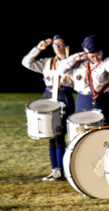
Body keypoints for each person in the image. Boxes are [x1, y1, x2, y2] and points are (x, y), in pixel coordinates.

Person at [22, 34, 75, 181]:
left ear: (66, 45)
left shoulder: (73, 61)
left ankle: (62, 170)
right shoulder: (47, 62)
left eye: (60, 44)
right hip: (48, 95)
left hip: (63, 96)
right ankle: (55, 169)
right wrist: (38, 48)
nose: (57, 47)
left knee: (59, 134)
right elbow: (26, 62)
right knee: (49, 134)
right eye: (55, 45)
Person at [58, 35, 109, 125]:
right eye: (92, 56)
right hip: (82, 100)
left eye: (98, 55)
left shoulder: (108, 62)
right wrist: (73, 58)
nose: (95, 58)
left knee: (102, 133)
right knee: (80, 132)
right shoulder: (79, 62)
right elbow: (61, 71)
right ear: (86, 53)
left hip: (102, 101)